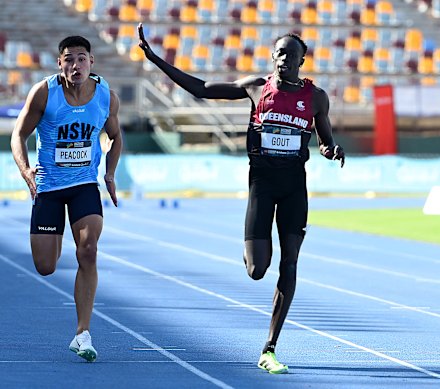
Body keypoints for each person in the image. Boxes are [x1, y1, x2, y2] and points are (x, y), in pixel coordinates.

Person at [137, 23, 345, 373]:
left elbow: (324, 140)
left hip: (295, 185)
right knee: (257, 270)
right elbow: (202, 89)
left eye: (291, 55)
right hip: (262, 185)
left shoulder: (316, 98)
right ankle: (251, 252)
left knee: (289, 263)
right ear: (273, 57)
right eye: (280, 53)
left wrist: (331, 148)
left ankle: (270, 346)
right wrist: (156, 59)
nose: (284, 60)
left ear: (302, 60)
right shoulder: (255, 88)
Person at [11, 36, 123, 362]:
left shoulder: (105, 96)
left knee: (88, 250)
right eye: (69, 59)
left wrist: (110, 174)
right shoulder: (45, 93)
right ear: (60, 64)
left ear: (92, 62)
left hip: (85, 184)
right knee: (46, 266)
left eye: (82, 59)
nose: (76, 66)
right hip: (47, 186)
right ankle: (54, 237)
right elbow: (19, 134)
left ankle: (82, 333)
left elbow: (116, 137)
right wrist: (25, 171)